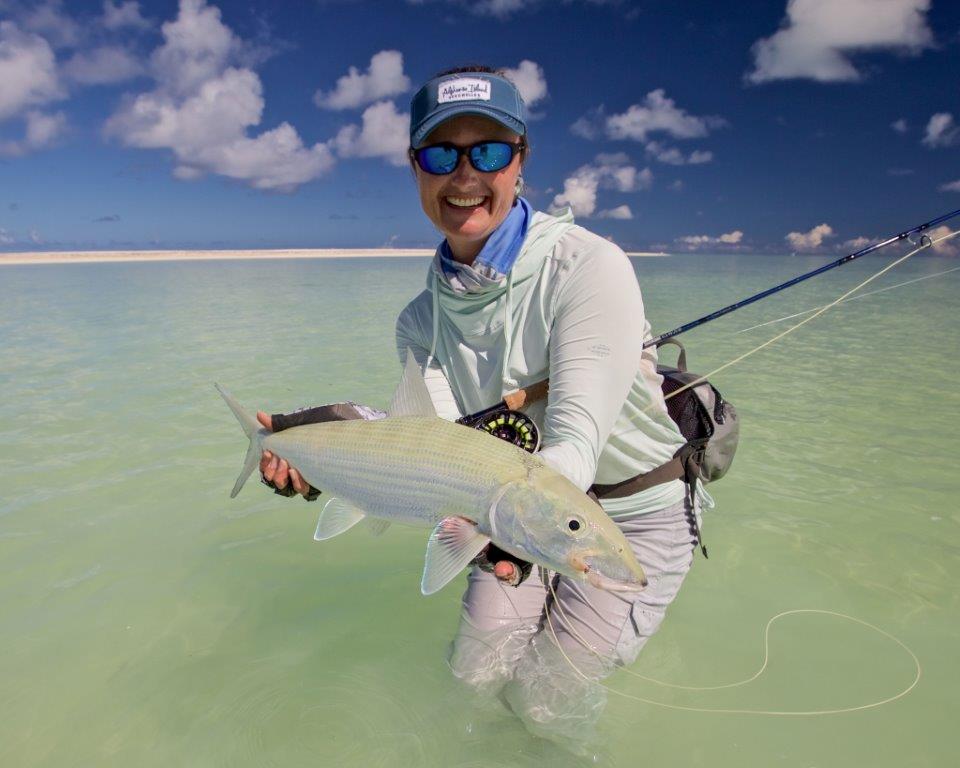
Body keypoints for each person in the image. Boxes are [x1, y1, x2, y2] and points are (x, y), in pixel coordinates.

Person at [258, 66, 703, 750]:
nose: (465, 175)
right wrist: (342, 452)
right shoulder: (419, 320)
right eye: (441, 154)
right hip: (504, 508)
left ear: (520, 161)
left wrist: (529, 529)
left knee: (549, 704)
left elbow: (574, 446)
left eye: (488, 151)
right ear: (415, 169)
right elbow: (437, 446)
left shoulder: (589, 268)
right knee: (471, 677)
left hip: (626, 519)